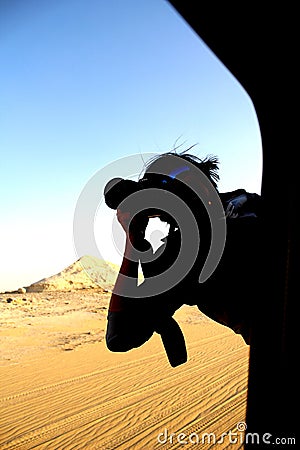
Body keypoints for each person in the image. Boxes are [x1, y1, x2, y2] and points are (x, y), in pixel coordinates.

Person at [104, 150, 262, 367]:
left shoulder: (185, 253)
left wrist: (132, 242)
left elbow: (119, 336)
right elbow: (120, 337)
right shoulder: (246, 204)